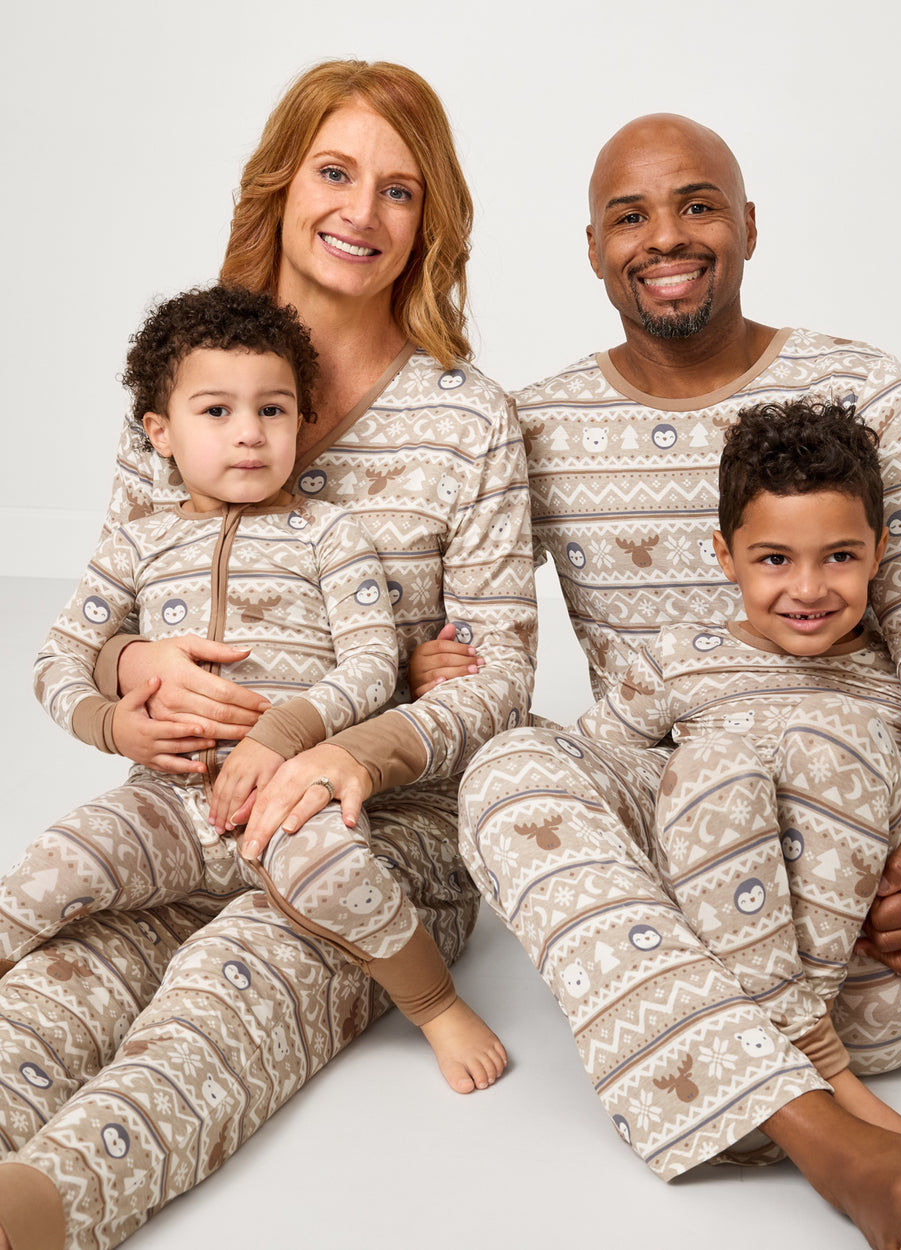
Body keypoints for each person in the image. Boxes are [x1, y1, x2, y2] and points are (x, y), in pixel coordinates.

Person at [0, 60, 534, 1250]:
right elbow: (106, 613)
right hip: (180, 803)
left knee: (215, 1008)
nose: (361, 211)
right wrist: (129, 678)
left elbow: (498, 675)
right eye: (335, 173)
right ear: (281, 188)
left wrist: (358, 737)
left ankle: (33, 1217)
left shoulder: (468, 419)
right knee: (43, 991)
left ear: (430, 217)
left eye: (401, 190)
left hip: (370, 840)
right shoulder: (191, 373)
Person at [446, 114, 901, 1248]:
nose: (665, 237)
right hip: (684, 862)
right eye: (629, 215)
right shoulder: (535, 424)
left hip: (883, 849)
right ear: (592, 246)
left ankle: (764, 1063)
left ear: (745, 225)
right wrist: (419, 648)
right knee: (505, 771)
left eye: (697, 204)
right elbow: (487, 648)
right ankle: (838, 1139)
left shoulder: (869, 388)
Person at [4, 282, 508, 1087]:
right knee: (56, 861)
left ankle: (437, 1004)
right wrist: (113, 725)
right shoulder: (136, 544)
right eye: (217, 412)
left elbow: (373, 665)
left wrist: (277, 740)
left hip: (285, 800)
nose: (249, 434)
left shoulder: (330, 534)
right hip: (166, 804)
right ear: (158, 433)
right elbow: (57, 660)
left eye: (273, 410)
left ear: (302, 419)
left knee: (343, 875)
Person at [574, 396, 901, 1137]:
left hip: (876, 993)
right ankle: (805, 1071)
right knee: (710, 766)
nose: (809, 589)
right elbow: (596, 776)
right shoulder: (677, 659)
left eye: (839, 556)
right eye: (775, 559)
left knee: (828, 739)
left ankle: (803, 1067)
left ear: (879, 550)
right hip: (734, 993)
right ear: (725, 556)